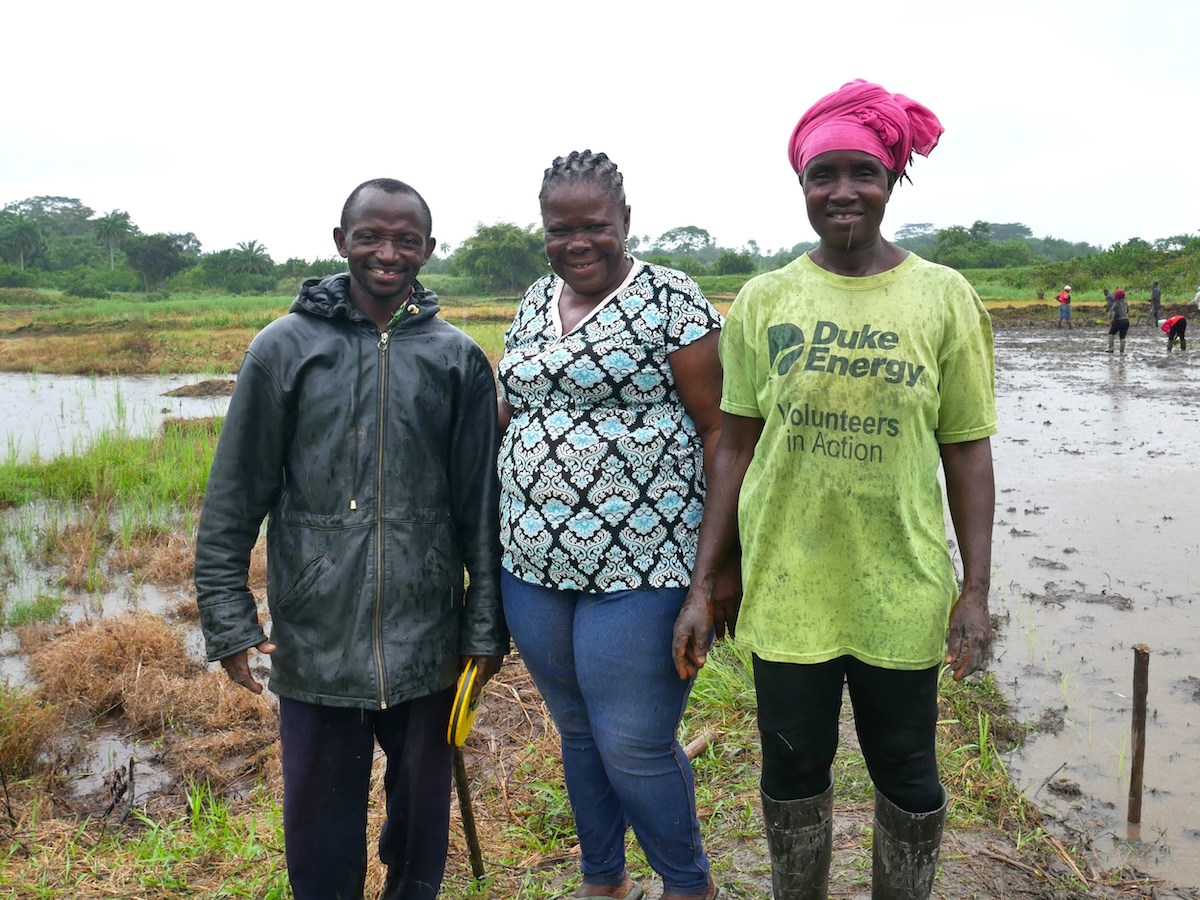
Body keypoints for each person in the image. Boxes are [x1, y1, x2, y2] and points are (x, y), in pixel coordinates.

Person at [673, 80, 996, 899]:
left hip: (902, 584)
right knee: (791, 766)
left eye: (863, 172)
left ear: (892, 181)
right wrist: (705, 582)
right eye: (824, 175)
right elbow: (735, 446)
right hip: (789, 586)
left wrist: (975, 590)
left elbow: (966, 452)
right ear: (802, 186)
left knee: (907, 768)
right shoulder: (765, 300)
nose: (842, 191)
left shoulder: (943, 297)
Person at [194, 178, 508, 900]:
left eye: (406, 239)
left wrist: (484, 627)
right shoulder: (284, 347)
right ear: (341, 242)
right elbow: (235, 495)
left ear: (429, 249)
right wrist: (229, 619)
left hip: (429, 637)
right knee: (319, 825)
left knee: (422, 821)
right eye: (370, 235)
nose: (387, 252)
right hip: (315, 634)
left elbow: (478, 508)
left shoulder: (456, 358)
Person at [497, 150, 729, 900]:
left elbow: (719, 432)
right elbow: (509, 408)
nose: (577, 243)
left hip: (645, 561)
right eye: (559, 229)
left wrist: (714, 576)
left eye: (594, 226)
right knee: (578, 733)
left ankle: (687, 886)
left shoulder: (672, 298)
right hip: (532, 561)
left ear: (625, 222)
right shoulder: (535, 301)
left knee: (632, 742)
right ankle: (604, 881)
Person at [1107, 288, 1130, 353]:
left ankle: (1111, 349)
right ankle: (1122, 351)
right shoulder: (1126, 302)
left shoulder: (1116, 303)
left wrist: (1111, 321)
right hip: (1126, 321)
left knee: (1111, 333)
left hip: (1119, 321)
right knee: (1122, 337)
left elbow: (1114, 313)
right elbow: (1127, 311)